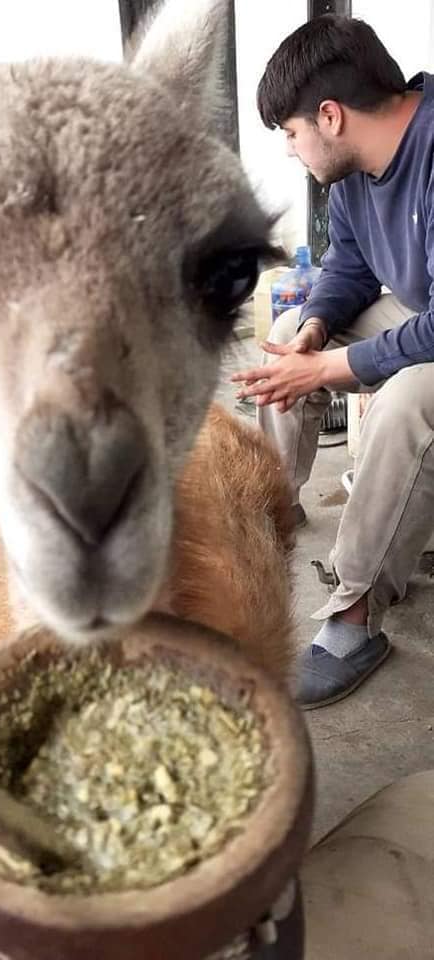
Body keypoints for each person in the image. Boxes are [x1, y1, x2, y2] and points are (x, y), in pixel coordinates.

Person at [233, 14, 434, 709]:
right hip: (422, 310)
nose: (291, 151)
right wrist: (316, 332)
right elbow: (348, 266)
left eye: (290, 134)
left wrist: (328, 371)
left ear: (329, 115)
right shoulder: (352, 173)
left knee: (410, 399)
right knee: (292, 327)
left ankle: (355, 613)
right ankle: (275, 506)